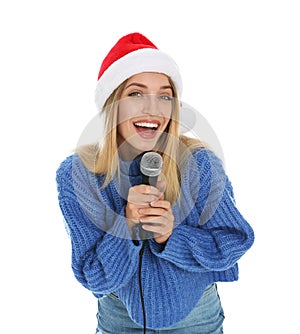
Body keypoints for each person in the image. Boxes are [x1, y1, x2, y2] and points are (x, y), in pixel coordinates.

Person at [56, 32, 254, 333]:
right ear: (112, 105)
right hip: (118, 319)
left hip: (197, 319)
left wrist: (172, 236)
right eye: (136, 94)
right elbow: (93, 274)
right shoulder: (78, 174)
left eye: (165, 95)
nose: (153, 108)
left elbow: (233, 241)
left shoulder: (200, 163)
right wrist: (127, 228)